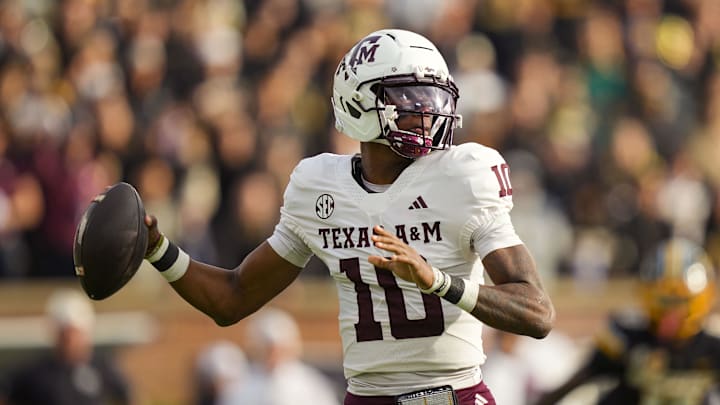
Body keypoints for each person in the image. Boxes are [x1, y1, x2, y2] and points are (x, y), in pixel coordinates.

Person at [142, 28, 555, 405]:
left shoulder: (461, 176)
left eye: (433, 99)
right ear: (358, 101)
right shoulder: (319, 187)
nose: (427, 114)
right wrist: (159, 250)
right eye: (410, 101)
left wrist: (439, 281)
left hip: (453, 397)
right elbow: (231, 299)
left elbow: (537, 312)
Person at [536, 237, 720, 405]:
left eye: (679, 302)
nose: (670, 313)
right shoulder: (627, 340)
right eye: (663, 301)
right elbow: (577, 381)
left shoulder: (713, 350)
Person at [3, 289, 131, 405]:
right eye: (65, 334)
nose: (71, 340)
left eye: (75, 333)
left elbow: (127, 395)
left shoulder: (103, 369)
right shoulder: (36, 374)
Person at [217, 308, 340, 405]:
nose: (274, 354)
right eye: (267, 348)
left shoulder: (311, 385)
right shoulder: (239, 388)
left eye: (279, 348)